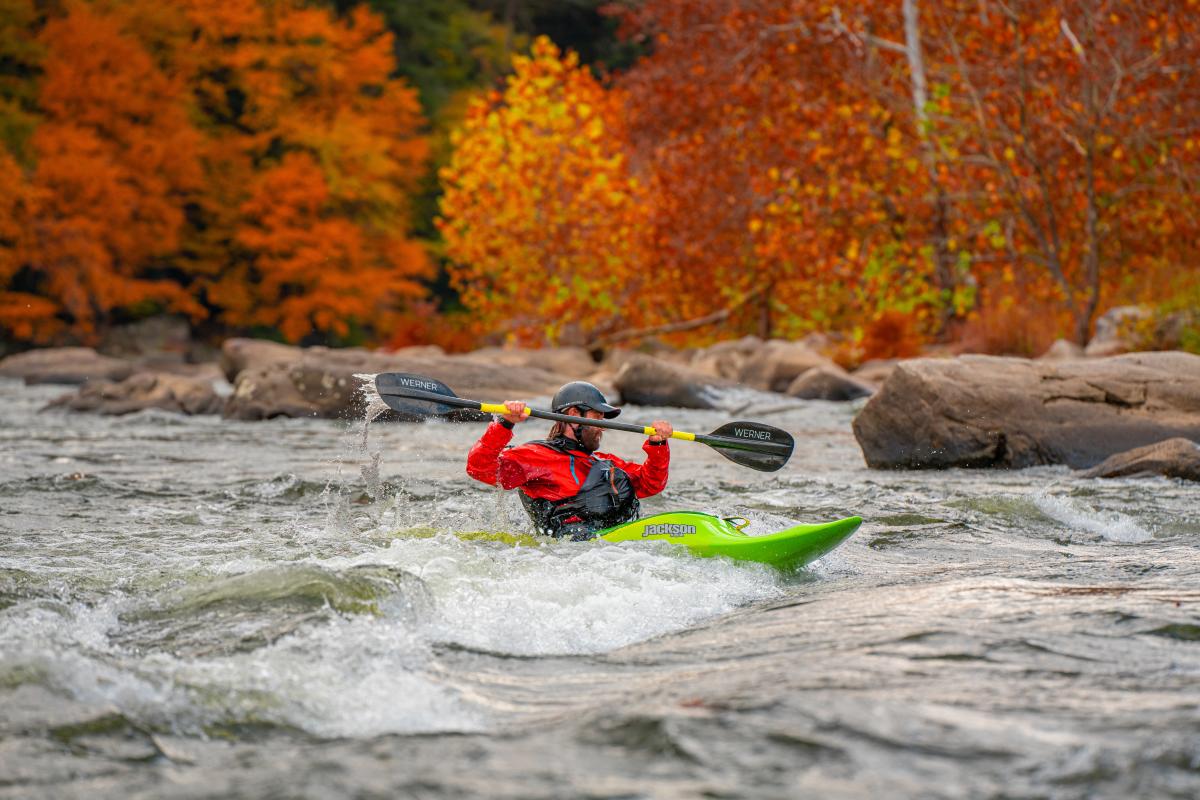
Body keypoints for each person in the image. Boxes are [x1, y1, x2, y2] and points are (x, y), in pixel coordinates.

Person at [466, 381, 673, 540]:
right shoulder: (536, 456)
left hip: (612, 551)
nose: (602, 426)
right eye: (597, 417)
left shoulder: (605, 463)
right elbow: (479, 468)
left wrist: (658, 445)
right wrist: (505, 423)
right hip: (567, 556)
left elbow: (651, 484)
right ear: (574, 414)